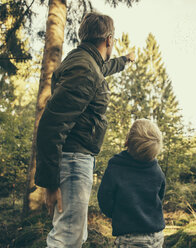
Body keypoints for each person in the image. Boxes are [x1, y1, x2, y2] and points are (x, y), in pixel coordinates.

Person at [34, 12, 135, 248]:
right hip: (72, 161)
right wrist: (49, 183)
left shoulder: (85, 62)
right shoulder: (86, 69)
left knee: (75, 236)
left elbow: (104, 68)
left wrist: (126, 60)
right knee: (67, 238)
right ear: (109, 39)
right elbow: (52, 124)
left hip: (75, 159)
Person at [98, 119, 166, 248]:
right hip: (156, 235)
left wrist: (118, 213)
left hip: (129, 237)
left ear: (127, 141)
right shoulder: (156, 170)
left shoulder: (116, 167)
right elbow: (159, 196)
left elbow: (104, 199)